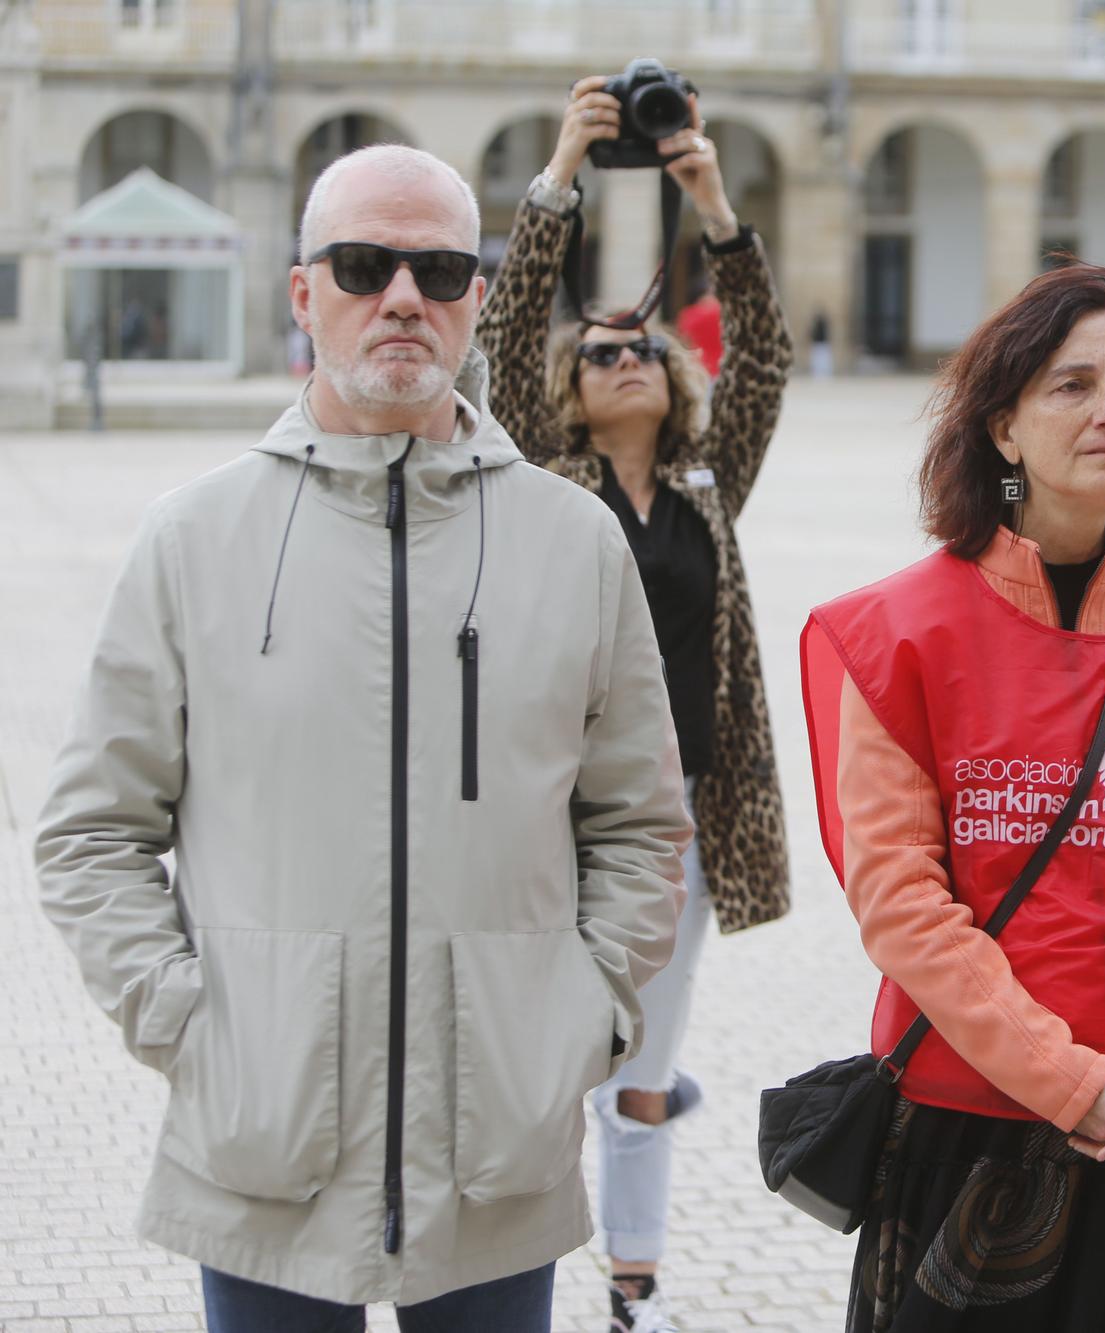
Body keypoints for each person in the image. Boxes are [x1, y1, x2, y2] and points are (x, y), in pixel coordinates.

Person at [36, 143, 690, 1330]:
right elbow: (91, 831)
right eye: (361, 263)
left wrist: (582, 1013)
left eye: (441, 269)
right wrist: (185, 1021)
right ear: (303, 293)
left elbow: (641, 821)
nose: (403, 297)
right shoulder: (195, 537)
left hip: (497, 1146)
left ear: (478, 298)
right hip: (264, 1142)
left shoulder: (572, 539)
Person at [800, 263, 1105, 1332]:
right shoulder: (898, 634)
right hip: (972, 1122)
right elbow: (898, 898)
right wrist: (1063, 1077)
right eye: (1071, 385)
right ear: (1002, 426)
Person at [475, 74, 794, 1333]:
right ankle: (532, 1281)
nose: (619, 357)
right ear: (569, 386)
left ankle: (635, 1287)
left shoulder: (713, 484)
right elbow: (504, 337)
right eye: (597, 350)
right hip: (556, 821)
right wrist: (563, 165)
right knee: (557, 1067)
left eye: (640, 347)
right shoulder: (539, 485)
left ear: (670, 376)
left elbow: (762, 352)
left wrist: (707, 197)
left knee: (645, 1075)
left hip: (683, 820)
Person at [674, 274, 723, 378]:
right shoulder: (721, 312)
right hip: (723, 366)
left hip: (700, 369)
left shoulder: (687, 315)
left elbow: (684, 343)